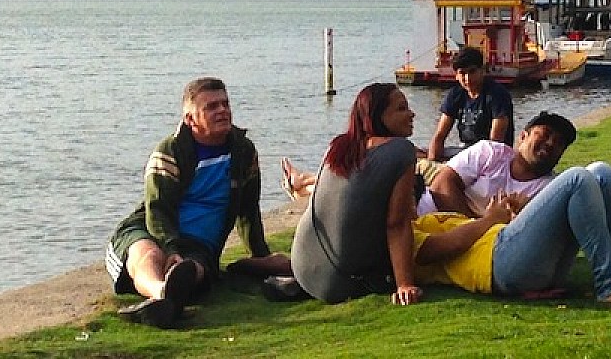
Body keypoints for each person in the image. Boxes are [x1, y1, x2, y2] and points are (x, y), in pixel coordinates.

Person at [105, 77, 291, 328]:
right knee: (148, 254)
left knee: (196, 270)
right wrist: (171, 249)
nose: (223, 110)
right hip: (149, 228)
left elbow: (248, 210)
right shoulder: (169, 152)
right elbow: (158, 211)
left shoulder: (243, 152)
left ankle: (172, 293)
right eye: (212, 107)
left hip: (201, 243)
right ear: (190, 119)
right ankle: (161, 294)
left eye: (225, 104)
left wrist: (261, 257)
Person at [410, 163, 611, 307]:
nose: (411, 202)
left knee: (602, 173)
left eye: (412, 196)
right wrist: (490, 219)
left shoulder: (426, 219)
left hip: (510, 251)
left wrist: (512, 218)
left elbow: (470, 236)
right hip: (499, 267)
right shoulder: (404, 236)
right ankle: (610, 284)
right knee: (576, 179)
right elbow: (438, 249)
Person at [290, 83, 422, 305]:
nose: (411, 113)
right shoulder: (401, 150)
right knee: (428, 247)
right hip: (343, 283)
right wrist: (404, 284)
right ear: (378, 117)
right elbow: (396, 224)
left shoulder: (339, 147)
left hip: (303, 268)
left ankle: (251, 265)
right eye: (401, 109)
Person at [422, 111, 577, 217]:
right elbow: (441, 185)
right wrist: (477, 225)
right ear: (522, 137)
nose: (550, 143)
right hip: (427, 214)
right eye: (545, 134)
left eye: (559, 143)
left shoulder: (550, 189)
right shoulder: (490, 152)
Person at [426, 47, 514, 161]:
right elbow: (439, 135)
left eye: (472, 71)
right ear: (456, 75)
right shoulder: (456, 94)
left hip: (495, 155)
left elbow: (495, 143)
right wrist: (432, 164)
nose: (467, 79)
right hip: (466, 149)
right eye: (462, 73)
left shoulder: (497, 95)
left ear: (482, 70)